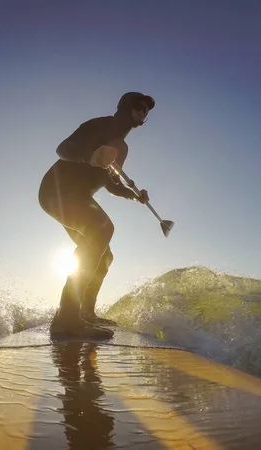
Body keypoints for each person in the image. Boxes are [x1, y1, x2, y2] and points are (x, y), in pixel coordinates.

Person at [38, 92, 155, 339]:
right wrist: (88, 156)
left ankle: (85, 313)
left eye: (147, 111)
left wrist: (135, 195)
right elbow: (63, 148)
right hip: (56, 192)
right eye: (140, 107)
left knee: (104, 256)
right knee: (102, 229)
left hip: (79, 199)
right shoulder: (99, 125)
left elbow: (111, 184)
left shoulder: (121, 148)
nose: (144, 113)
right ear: (126, 107)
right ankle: (66, 318)